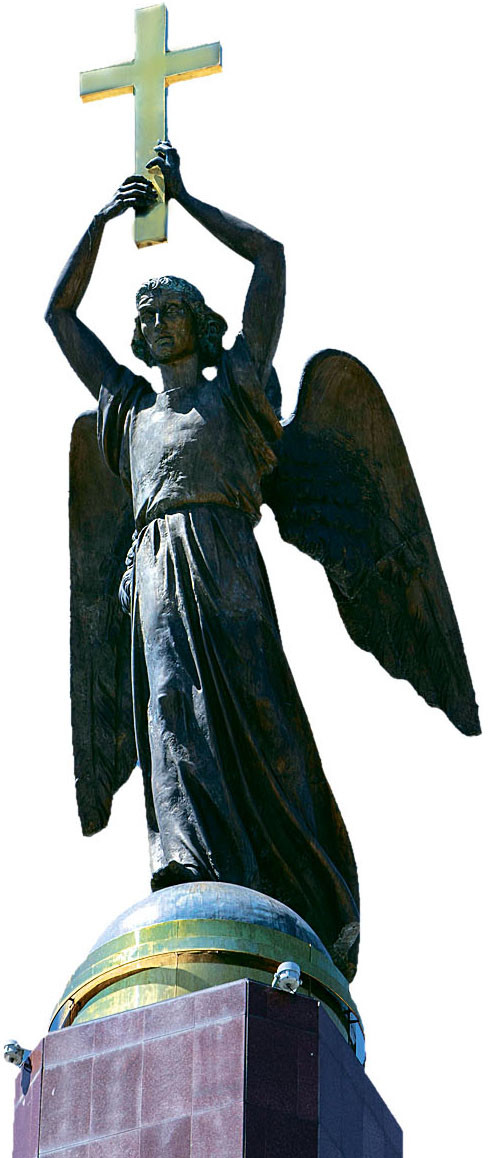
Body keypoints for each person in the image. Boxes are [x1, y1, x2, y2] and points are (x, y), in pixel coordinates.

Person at [46, 146, 360, 978]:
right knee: (168, 710)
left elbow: (271, 261)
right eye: (144, 315)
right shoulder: (127, 410)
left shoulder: (234, 391)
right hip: (154, 567)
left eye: (168, 310)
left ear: (196, 321)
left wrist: (183, 199)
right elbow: (59, 317)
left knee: (258, 711)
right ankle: (187, 862)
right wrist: (101, 224)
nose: (155, 322)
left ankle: (302, 880)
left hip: (224, 561)